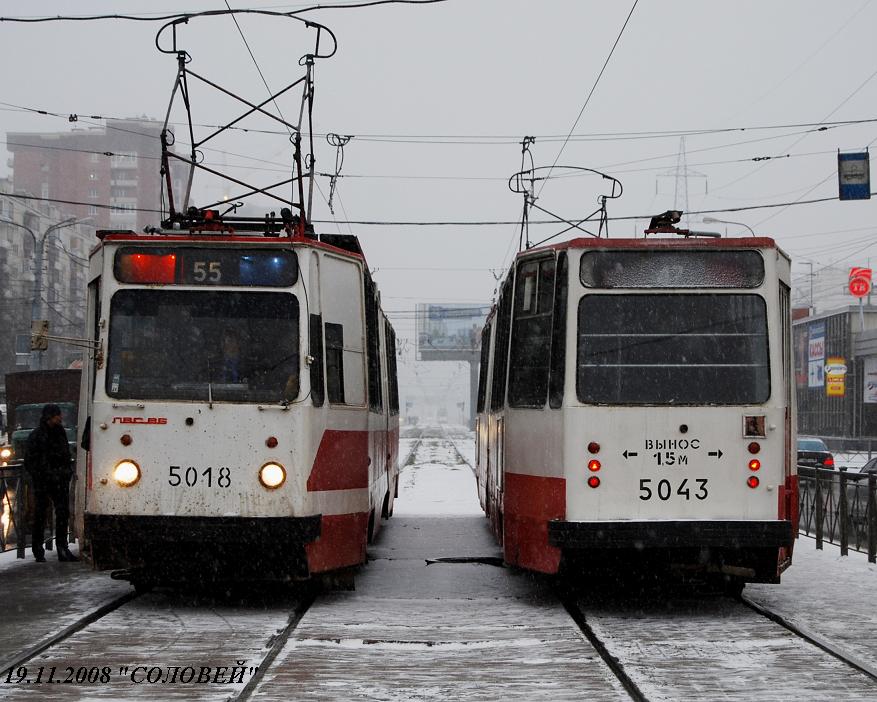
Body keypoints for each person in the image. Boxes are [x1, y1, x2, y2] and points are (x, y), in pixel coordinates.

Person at [24, 404, 77, 562]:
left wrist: (65, 472)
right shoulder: (39, 435)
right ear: (50, 417)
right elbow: (31, 461)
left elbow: (64, 455)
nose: (60, 418)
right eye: (57, 415)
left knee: (60, 513)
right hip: (45, 480)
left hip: (57, 479)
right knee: (42, 514)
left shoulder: (57, 433)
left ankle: (60, 548)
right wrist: (43, 475)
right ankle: (41, 549)